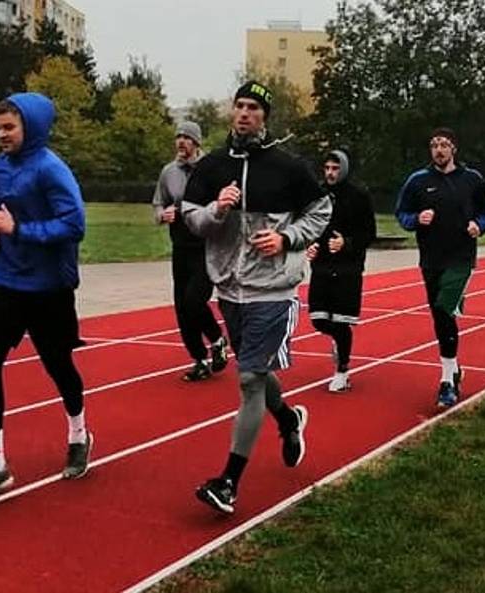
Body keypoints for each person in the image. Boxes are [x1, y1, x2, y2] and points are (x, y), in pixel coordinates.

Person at [182, 81, 332, 514]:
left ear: (265, 117)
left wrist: (287, 237)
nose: (245, 113)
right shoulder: (211, 166)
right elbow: (192, 221)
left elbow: (321, 211)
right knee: (257, 373)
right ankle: (288, 419)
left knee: (248, 380)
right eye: (240, 106)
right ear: (232, 113)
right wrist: (217, 210)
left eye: (254, 108)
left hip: (274, 290)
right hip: (230, 288)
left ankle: (228, 482)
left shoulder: (287, 167)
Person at [0, 92, 93, 503]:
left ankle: (78, 432)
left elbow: (75, 226)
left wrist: (20, 230)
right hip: (2, 281)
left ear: (30, 127)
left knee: (57, 364)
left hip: (47, 287)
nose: (1, 135)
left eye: (9, 128)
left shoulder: (52, 170)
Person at [395, 127, 485, 409]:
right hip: (431, 258)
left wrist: (480, 225)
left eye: (444, 144)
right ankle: (454, 370)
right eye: (434, 145)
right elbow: (401, 212)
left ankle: (446, 381)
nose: (438, 149)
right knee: (440, 315)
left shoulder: (472, 179)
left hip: (461, 257)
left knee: (444, 309)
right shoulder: (418, 180)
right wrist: (416, 219)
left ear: (454, 149)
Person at [152, 121, 228, 382]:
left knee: (194, 300)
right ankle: (199, 359)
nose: (181, 142)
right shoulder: (168, 172)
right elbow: (158, 203)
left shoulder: (211, 170)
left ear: (196, 143)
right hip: (180, 246)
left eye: (186, 138)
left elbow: (223, 203)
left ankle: (217, 339)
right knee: (182, 308)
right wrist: (163, 215)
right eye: (178, 137)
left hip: (206, 245)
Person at [307, 149, 376, 392]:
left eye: (335, 169)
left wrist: (346, 243)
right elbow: (308, 225)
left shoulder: (359, 196)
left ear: (344, 169)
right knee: (318, 319)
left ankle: (342, 370)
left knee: (341, 320)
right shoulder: (317, 194)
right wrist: (310, 245)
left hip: (348, 267)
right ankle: (338, 342)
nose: (330, 173)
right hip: (322, 265)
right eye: (327, 168)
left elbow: (369, 233)